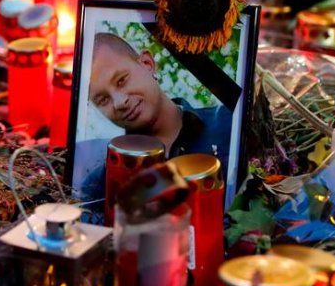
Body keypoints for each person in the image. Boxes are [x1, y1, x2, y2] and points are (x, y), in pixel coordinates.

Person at [76, 32, 231, 212]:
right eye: (103, 100)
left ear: (147, 64)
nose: (119, 102)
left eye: (121, 81)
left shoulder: (228, 123)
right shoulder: (99, 186)